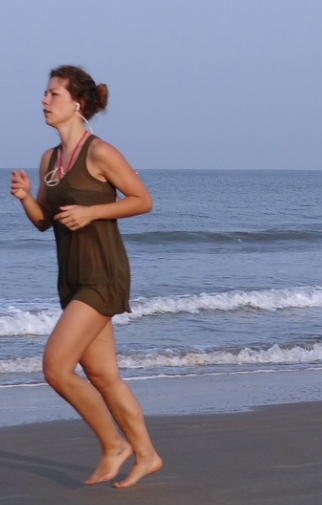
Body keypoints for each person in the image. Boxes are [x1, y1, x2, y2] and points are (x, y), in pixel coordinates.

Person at [9, 65, 162, 488]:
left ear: (76, 104)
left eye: (52, 94)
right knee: (102, 376)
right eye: (44, 93)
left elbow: (142, 200)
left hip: (103, 274)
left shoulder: (101, 153)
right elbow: (45, 222)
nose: (44, 100)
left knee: (56, 368)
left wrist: (93, 210)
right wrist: (25, 199)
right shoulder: (49, 160)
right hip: (71, 278)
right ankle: (147, 455)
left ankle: (115, 445)